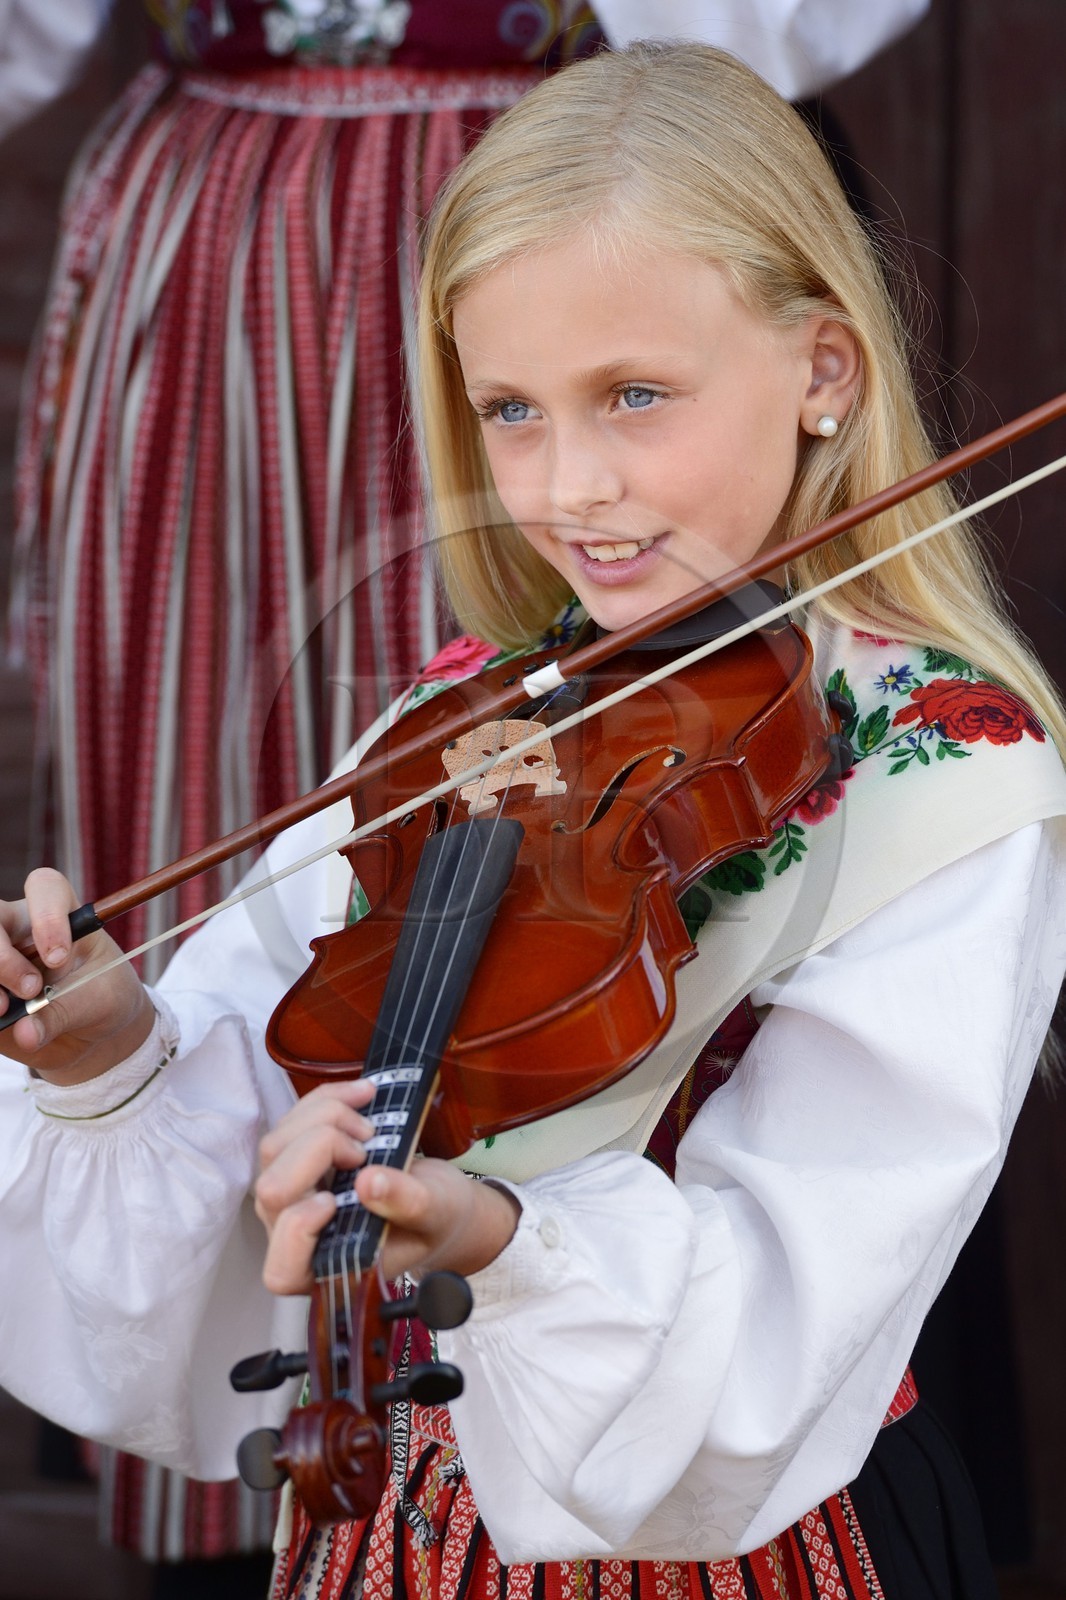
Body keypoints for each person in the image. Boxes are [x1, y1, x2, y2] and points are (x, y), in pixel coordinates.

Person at [3, 37, 1063, 1600]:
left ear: (824, 371)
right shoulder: (471, 717)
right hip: (392, 1528)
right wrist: (113, 1055)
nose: (570, 486)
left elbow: (797, 1290)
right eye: (510, 410)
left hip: (743, 1549)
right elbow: (261, 1117)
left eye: (635, 395)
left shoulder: (953, 769)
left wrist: (501, 1240)